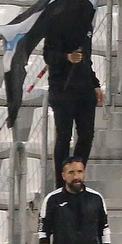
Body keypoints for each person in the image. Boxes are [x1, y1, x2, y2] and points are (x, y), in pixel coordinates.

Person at [42, 25, 101, 182]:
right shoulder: (56, 25)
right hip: (62, 89)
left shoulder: (86, 25)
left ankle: (77, 175)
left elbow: (86, 58)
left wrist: (95, 83)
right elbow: (48, 56)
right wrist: (66, 57)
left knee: (87, 135)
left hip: (85, 89)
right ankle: (61, 182)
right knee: (64, 136)